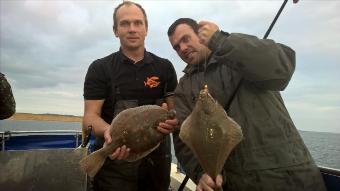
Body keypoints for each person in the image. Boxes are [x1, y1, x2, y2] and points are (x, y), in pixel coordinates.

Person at [167, 18, 326, 191]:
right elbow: (184, 141)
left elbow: (283, 68)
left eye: (185, 39)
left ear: (200, 33)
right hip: (234, 184)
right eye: (176, 47)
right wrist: (201, 173)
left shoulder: (237, 54)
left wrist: (220, 41)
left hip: (289, 178)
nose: (182, 48)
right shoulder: (183, 88)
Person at [83, 1, 178, 191]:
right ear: (115, 30)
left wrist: (173, 119)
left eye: (138, 23)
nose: (132, 29)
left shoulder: (165, 67)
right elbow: (89, 118)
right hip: (114, 167)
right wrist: (110, 134)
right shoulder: (100, 68)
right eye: (125, 24)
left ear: (146, 28)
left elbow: (177, 111)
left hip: (156, 166)